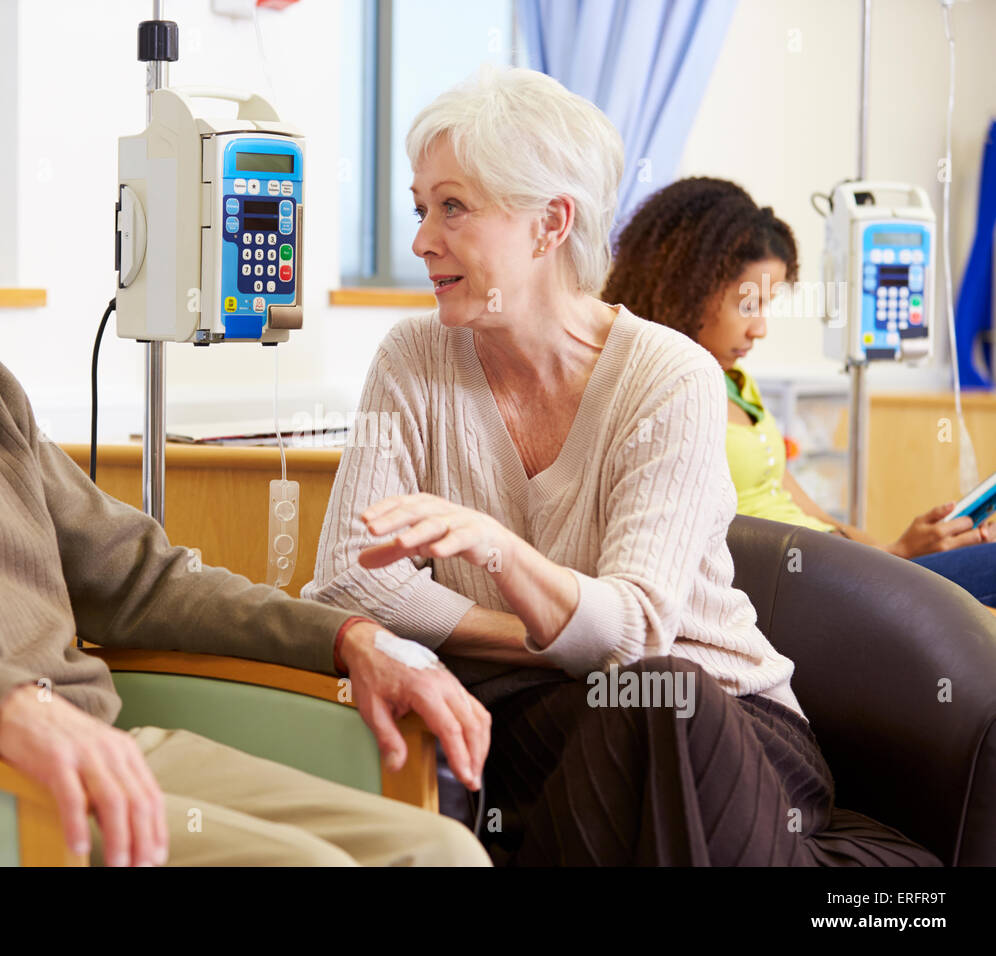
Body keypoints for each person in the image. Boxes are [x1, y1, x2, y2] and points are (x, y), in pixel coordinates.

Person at [0, 48, 493, 868]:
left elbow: (140, 578)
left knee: (441, 853)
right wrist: (4, 707)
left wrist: (349, 638)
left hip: (98, 746)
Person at [304, 65, 939, 865]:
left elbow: (635, 635)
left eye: (453, 205)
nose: (422, 237)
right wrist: (545, 637)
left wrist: (497, 551)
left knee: (655, 698)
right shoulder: (412, 357)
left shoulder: (668, 375)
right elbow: (345, 583)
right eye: (421, 206)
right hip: (537, 713)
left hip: (723, 724)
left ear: (550, 223)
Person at [603, 176, 996, 605]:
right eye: (747, 305)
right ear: (684, 287)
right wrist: (891, 562)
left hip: (835, 568)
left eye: (766, 306)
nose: (760, 329)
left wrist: (898, 551)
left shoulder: (737, 384)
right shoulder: (662, 395)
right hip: (792, 589)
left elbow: (813, 513)